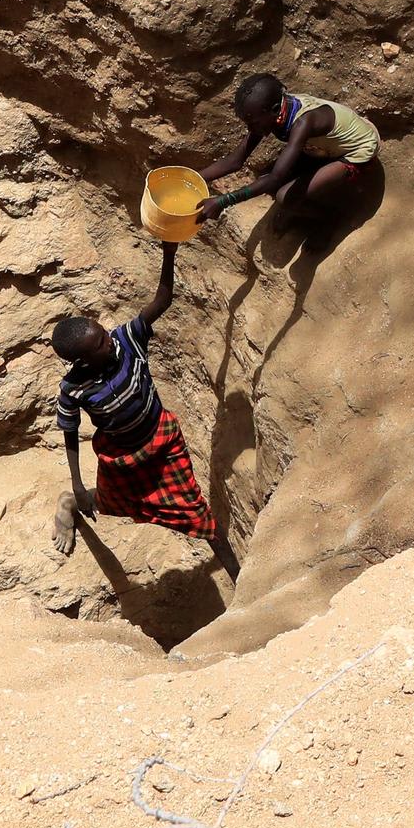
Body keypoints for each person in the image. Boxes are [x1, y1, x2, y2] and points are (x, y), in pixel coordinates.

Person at [49, 242, 238, 578]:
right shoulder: (73, 389)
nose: (111, 342)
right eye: (101, 344)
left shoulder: (128, 341)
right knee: (108, 504)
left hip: (163, 443)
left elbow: (162, 300)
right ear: (82, 360)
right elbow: (70, 433)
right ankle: (70, 503)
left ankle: (241, 581)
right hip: (122, 458)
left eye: (105, 335)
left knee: (199, 515)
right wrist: (77, 483)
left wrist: (169, 252)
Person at [193, 74, 379, 225]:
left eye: (254, 124)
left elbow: (275, 179)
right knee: (270, 179)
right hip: (324, 146)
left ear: (274, 109)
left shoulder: (304, 122)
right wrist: (190, 179)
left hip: (357, 152)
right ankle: (304, 204)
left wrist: (224, 201)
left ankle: (330, 219)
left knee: (283, 196)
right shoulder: (272, 113)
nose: (250, 130)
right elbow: (235, 161)